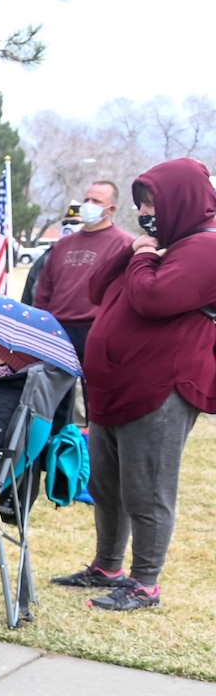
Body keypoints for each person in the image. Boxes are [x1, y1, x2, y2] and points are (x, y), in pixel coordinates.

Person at [52, 159, 216, 612]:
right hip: (115, 388)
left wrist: (143, 256)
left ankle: (145, 583)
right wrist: (132, 252)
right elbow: (97, 289)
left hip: (159, 390)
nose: (146, 212)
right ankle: (107, 567)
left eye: (153, 203)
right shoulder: (161, 245)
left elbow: (154, 299)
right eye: (142, 204)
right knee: (108, 485)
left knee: (147, 490)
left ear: (180, 200)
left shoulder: (205, 250)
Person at [27, 180, 131, 373]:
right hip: (57, 329)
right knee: (52, 396)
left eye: (96, 201)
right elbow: (45, 289)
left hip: (96, 330)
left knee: (94, 394)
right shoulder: (63, 245)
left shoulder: (124, 245)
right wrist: (39, 322)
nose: (88, 205)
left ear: (111, 208)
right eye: (87, 199)